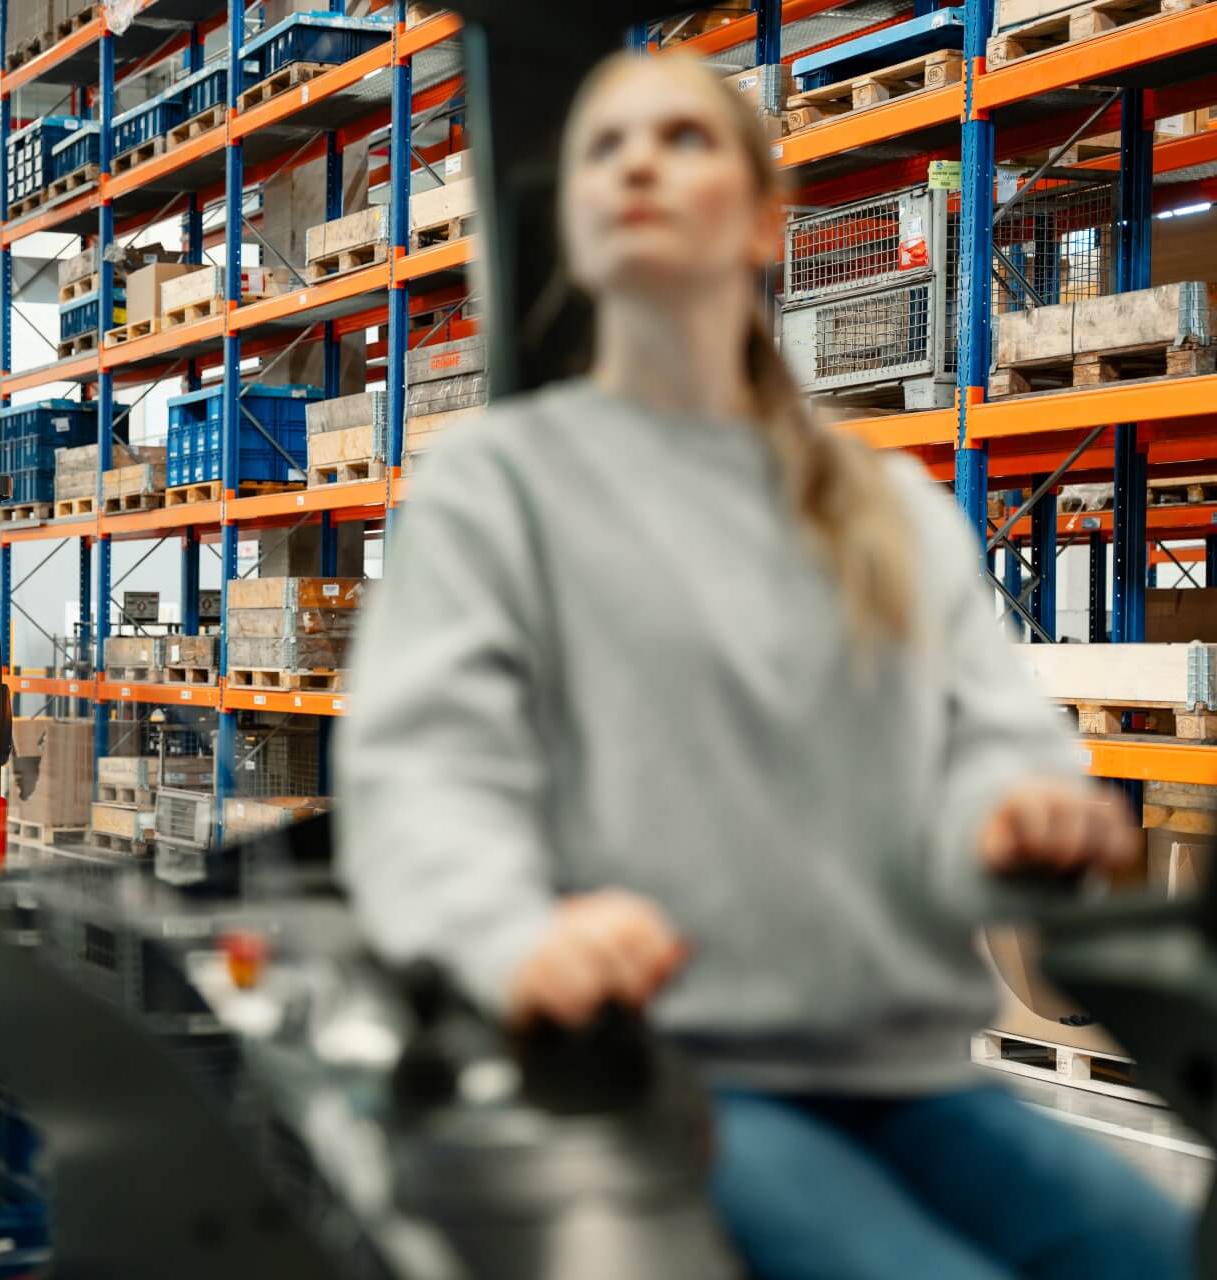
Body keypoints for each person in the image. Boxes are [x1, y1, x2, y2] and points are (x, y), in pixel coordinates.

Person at [335, 52, 1193, 1280]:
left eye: (682, 139)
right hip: (675, 1071)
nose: (636, 163)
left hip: (904, 1068)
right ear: (573, 224)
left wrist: (1016, 806)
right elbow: (423, 773)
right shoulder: (502, 488)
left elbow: (986, 732)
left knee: (1159, 1251)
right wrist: (514, 931)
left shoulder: (880, 503)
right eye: (603, 149)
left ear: (762, 217)